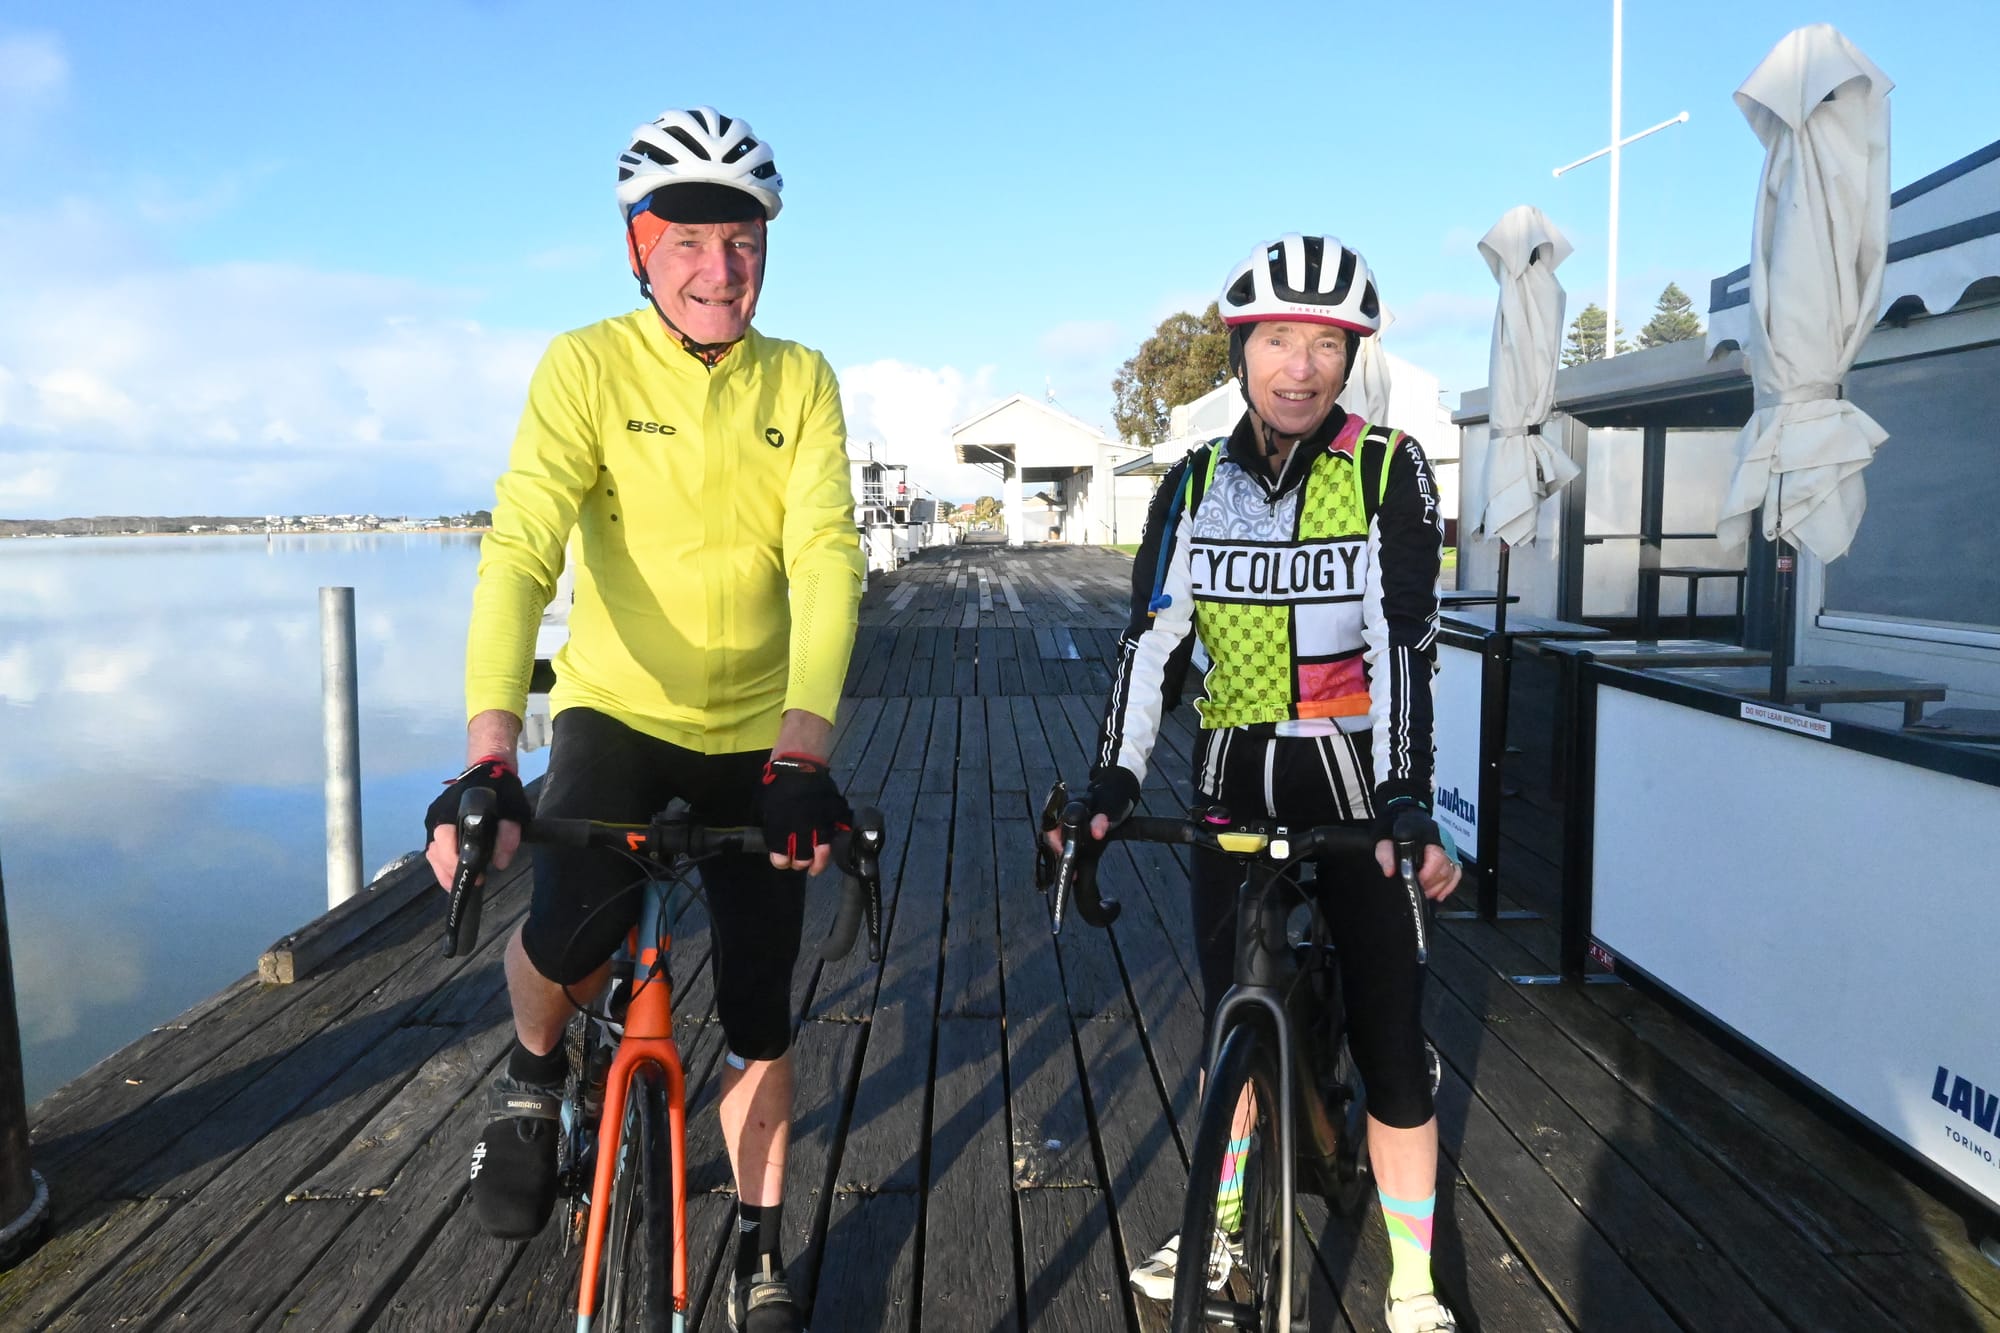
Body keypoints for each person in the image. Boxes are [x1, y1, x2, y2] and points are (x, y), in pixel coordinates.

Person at [423, 105, 864, 1333]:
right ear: (636, 246)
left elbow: (827, 558)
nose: (719, 270)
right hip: (619, 708)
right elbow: (519, 549)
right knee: (570, 930)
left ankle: (761, 1247)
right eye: (687, 241)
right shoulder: (585, 366)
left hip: (758, 736)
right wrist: (491, 750)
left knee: (767, 993)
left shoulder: (802, 378)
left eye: (742, 240)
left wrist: (803, 747)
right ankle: (531, 1073)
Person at [1055, 234, 1462, 1333]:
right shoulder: (1191, 483)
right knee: (1235, 1009)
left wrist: (1406, 798)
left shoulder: (1388, 467)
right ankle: (1223, 1224)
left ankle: (1413, 1283)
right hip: (1233, 781)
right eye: (1277, 338)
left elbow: (1403, 641)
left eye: (1324, 343)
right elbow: (1151, 650)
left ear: (1349, 356)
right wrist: (1109, 783)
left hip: (1353, 784)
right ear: (1239, 350)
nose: (1299, 365)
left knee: (1387, 1041)